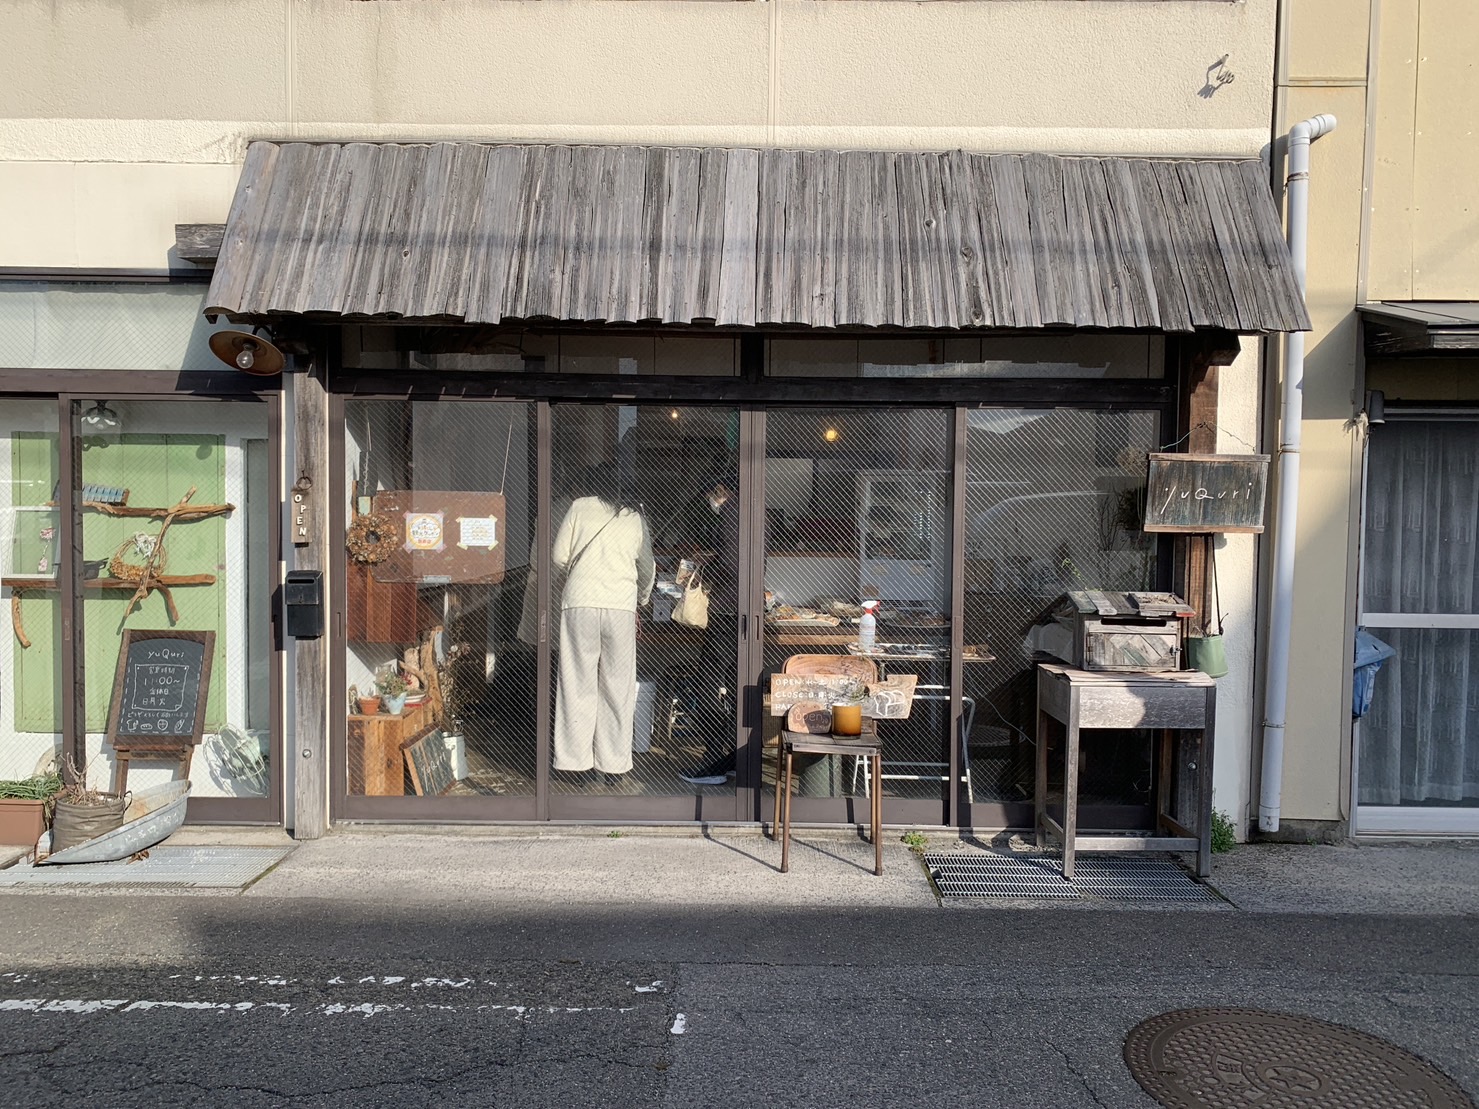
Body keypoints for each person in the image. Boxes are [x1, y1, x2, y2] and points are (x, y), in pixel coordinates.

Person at [551, 465, 655, 778]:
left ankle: (575, 762)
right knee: (617, 686)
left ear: (591, 485)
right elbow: (646, 568)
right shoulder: (634, 518)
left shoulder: (578, 507)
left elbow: (558, 556)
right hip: (619, 607)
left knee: (576, 683)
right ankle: (613, 765)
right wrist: (643, 598)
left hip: (580, 602)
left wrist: (580, 572)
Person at [680, 474, 741, 786]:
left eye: (710, 495)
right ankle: (735, 758)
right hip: (745, 612)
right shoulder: (757, 512)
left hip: (727, 611)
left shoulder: (731, 513)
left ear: (720, 490)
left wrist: (706, 566)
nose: (710, 502)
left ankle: (713, 759)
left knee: (707, 685)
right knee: (736, 686)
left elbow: (731, 564)